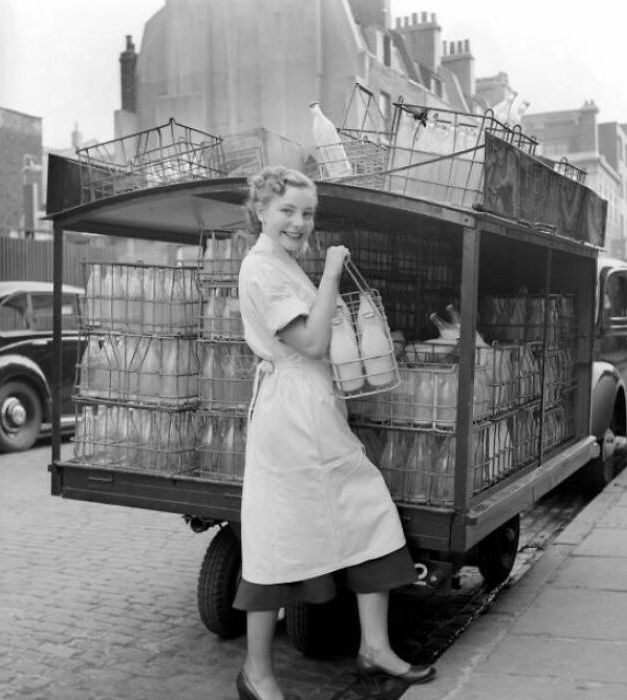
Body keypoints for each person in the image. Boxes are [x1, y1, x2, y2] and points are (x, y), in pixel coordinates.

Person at [233, 165, 436, 700]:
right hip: (290, 415)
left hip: (314, 408)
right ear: (261, 210)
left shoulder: (282, 263)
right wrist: (330, 275)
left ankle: (374, 647)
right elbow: (315, 342)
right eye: (288, 211)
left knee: (367, 513)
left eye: (308, 213)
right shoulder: (261, 270)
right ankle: (258, 674)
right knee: (278, 537)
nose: (300, 223)